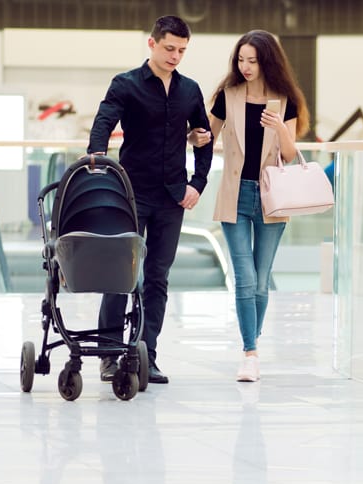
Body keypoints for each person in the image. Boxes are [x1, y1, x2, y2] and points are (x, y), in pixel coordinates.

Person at [87, 15, 213, 384]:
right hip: (131, 194)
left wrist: (198, 184)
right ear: (152, 44)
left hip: (172, 198)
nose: (175, 56)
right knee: (120, 274)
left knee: (157, 277)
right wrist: (96, 158)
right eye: (170, 48)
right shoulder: (125, 84)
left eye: (182, 51)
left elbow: (203, 139)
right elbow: (104, 121)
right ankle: (110, 355)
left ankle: (145, 354)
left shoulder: (190, 90)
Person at [190, 29, 310, 382]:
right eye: (241, 60)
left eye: (252, 61)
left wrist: (281, 128)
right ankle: (250, 353)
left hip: (272, 195)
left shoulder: (284, 98)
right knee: (243, 278)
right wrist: (195, 137)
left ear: (267, 61)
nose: (245, 66)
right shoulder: (228, 96)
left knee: (260, 281)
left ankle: (250, 340)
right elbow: (206, 137)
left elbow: (288, 154)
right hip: (235, 194)